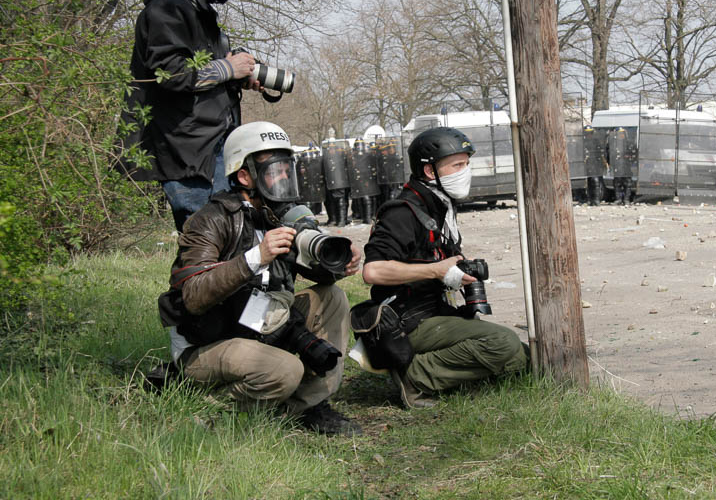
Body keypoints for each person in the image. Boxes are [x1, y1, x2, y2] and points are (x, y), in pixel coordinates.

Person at [156, 122, 362, 436]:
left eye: (286, 169)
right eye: (273, 170)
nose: (283, 178)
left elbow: (310, 269)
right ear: (244, 175)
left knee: (334, 298)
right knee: (285, 369)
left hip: (254, 327)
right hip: (207, 343)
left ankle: (308, 406)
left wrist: (337, 262)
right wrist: (256, 257)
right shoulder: (209, 220)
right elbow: (193, 296)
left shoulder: (277, 215)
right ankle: (210, 408)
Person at [360, 127, 527, 408]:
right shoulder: (402, 211)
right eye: (458, 165)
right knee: (504, 344)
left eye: (467, 164)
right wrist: (436, 271)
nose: (466, 171)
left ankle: (439, 370)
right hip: (408, 320)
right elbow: (373, 271)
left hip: (436, 310)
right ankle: (415, 376)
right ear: (429, 171)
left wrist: (456, 273)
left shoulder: (439, 206)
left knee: (521, 356)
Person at [120, 0, 262, 231]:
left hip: (209, 149)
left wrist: (238, 76)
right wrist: (228, 68)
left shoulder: (197, 11)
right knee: (204, 247)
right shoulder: (168, 8)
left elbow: (198, 76)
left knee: (226, 243)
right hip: (186, 154)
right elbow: (169, 74)